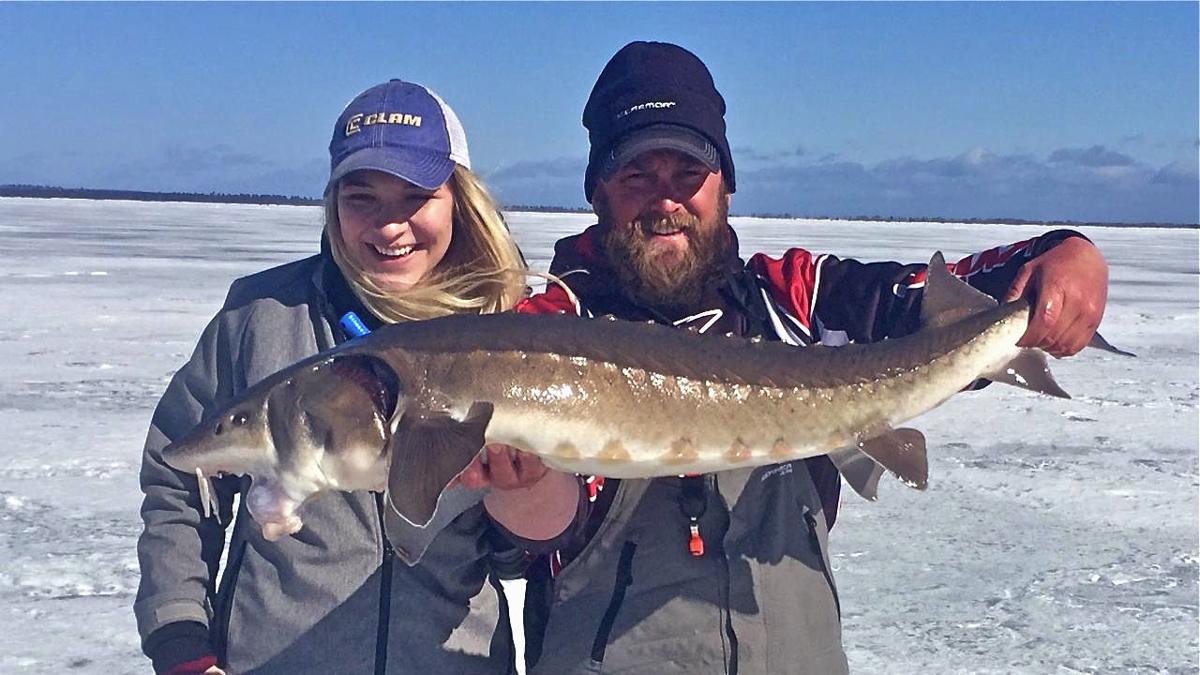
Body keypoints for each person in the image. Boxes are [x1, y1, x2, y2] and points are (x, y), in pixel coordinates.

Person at [508, 41, 1110, 674]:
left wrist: (1069, 254)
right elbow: (513, 544)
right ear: (597, 191)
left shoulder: (792, 299)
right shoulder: (542, 336)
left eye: (688, 173)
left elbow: (952, 297)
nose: (666, 201)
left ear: (725, 184)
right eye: (637, 175)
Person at [133, 79, 575, 675]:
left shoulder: (507, 330)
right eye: (362, 198)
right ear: (333, 202)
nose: (390, 227)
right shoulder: (261, 317)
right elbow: (179, 478)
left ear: (459, 202)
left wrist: (520, 492)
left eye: (416, 197)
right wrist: (181, 639)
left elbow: (518, 557)